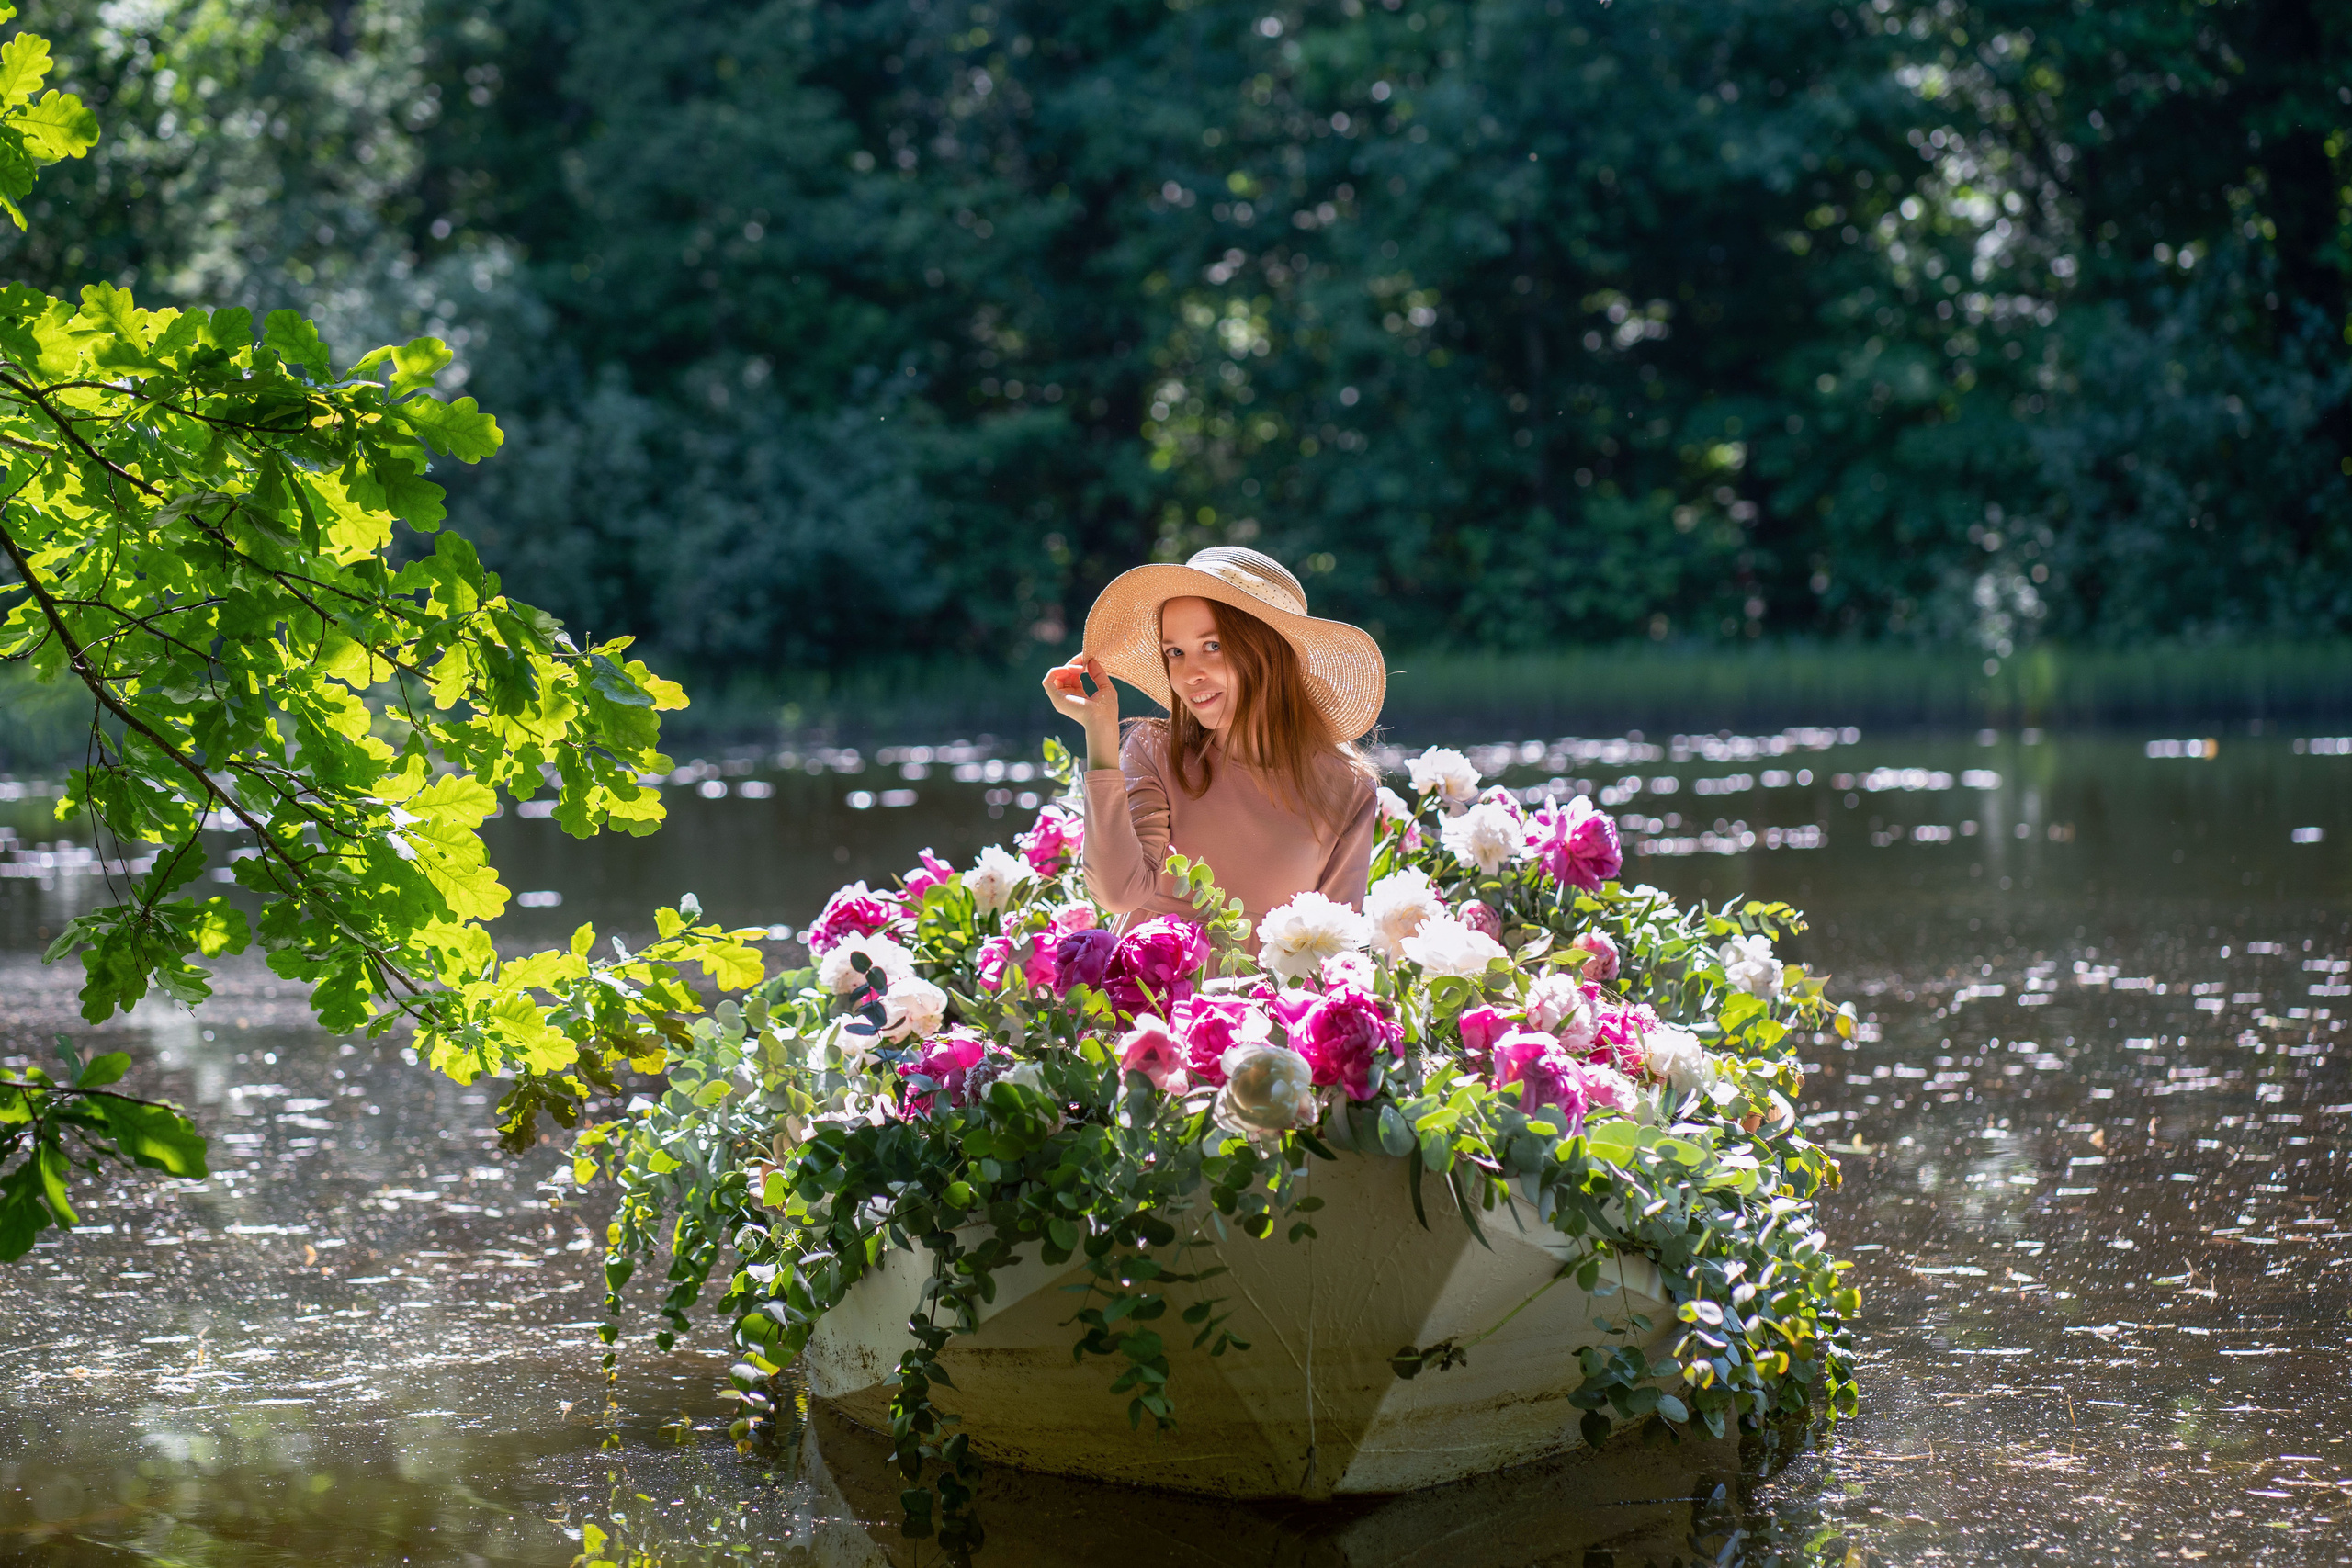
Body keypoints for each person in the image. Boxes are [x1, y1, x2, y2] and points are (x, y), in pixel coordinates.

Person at [1040, 546, 1385, 926]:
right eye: (1175, 652)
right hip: (1147, 968)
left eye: (1213, 646)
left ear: (1270, 651)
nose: (1190, 674)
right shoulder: (1155, 752)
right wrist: (1100, 732)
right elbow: (1117, 894)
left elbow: (1335, 943)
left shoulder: (1348, 788)